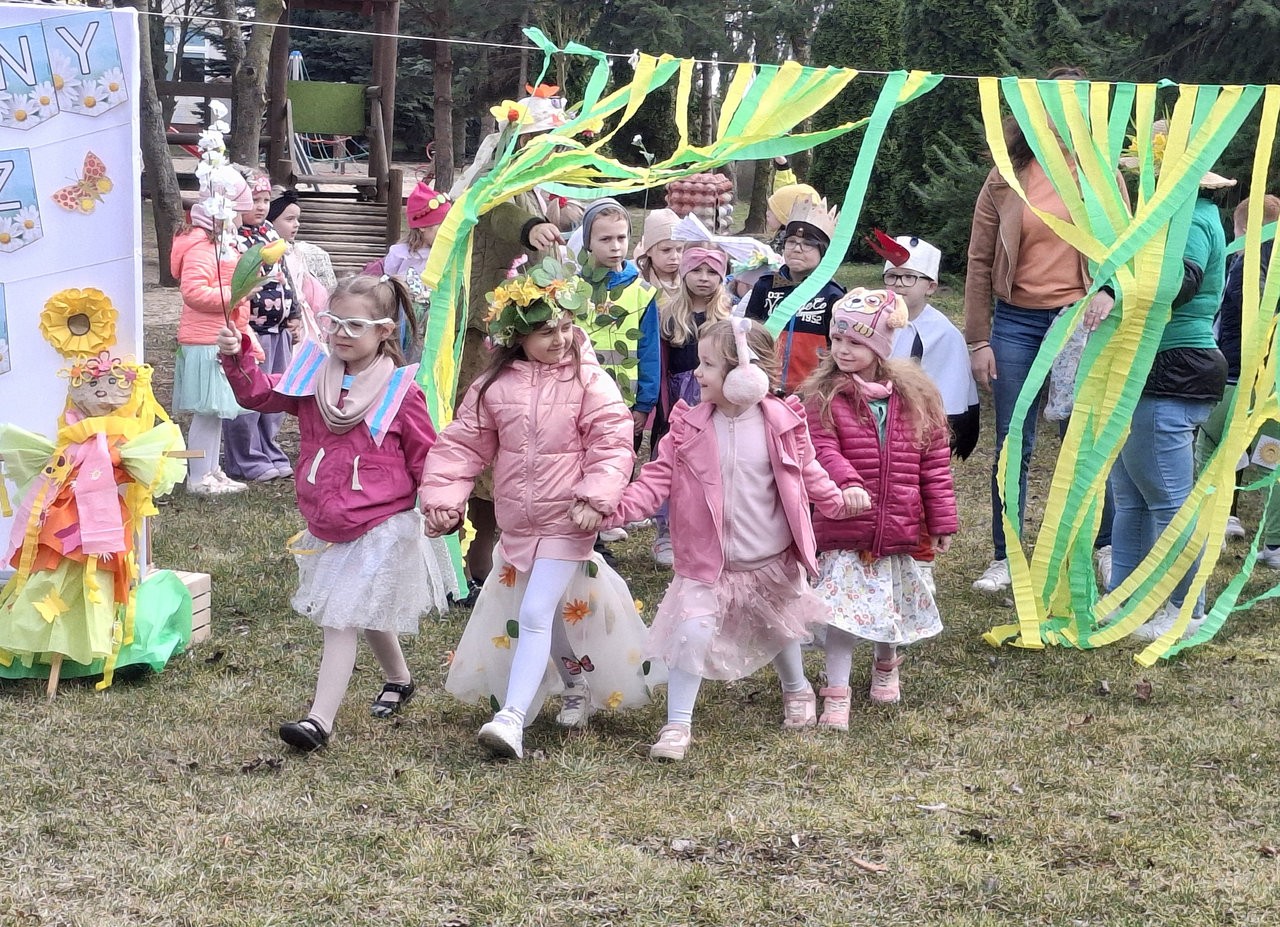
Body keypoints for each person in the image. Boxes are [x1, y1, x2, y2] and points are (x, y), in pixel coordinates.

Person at [598, 318, 863, 762]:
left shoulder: (783, 423)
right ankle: (677, 724)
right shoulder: (688, 427)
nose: (697, 373)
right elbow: (654, 481)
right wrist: (614, 511)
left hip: (768, 558)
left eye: (707, 365)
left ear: (745, 374)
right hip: (707, 563)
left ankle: (796, 687)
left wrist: (837, 502)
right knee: (692, 633)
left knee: (779, 628)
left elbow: (810, 473)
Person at [420, 258, 654, 760]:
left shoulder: (589, 381)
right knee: (547, 616)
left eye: (566, 326)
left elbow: (612, 442)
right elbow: (462, 445)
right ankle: (576, 684)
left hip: (570, 519)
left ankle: (512, 719)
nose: (559, 339)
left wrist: (595, 497)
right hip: (520, 524)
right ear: (516, 336)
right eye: (545, 331)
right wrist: (444, 500)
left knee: (533, 611)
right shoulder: (494, 386)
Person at [216, 275, 458, 751]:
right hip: (330, 517)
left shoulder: (400, 392)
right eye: (333, 322)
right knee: (361, 607)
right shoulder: (313, 377)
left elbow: (426, 457)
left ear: (384, 330)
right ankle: (399, 678)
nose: (341, 333)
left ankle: (318, 722)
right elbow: (258, 395)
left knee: (341, 614)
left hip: (381, 522)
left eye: (355, 325)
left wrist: (440, 504)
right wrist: (237, 355)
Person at [964, 81, 1122, 595]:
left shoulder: (1102, 176)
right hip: (1016, 323)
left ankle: (1106, 548)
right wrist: (978, 340)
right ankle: (1006, 556)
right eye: (1052, 104)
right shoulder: (1004, 176)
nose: (1061, 114)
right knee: (1014, 444)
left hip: (1081, 321)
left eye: (1073, 104)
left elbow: (1127, 246)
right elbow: (979, 261)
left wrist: (1110, 290)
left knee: (1086, 440)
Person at [449, 86, 585, 596]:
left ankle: (487, 555)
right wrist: (533, 228)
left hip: (517, 337)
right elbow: (502, 214)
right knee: (481, 439)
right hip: (483, 340)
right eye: (541, 140)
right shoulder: (496, 183)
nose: (551, 150)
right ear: (517, 142)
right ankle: (464, 557)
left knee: (511, 443)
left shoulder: (530, 185)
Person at [800, 288, 957, 721]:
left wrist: (940, 519)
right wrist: (848, 483)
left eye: (855, 341)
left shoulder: (915, 398)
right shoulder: (823, 395)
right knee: (842, 616)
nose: (843, 349)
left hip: (897, 526)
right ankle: (836, 693)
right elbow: (820, 448)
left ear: (880, 347)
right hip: (846, 526)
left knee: (890, 606)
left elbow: (934, 463)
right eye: (837, 339)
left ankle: (886, 664)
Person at [1105, 131, 1231, 641]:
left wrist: (1116, 289)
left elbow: (1179, 284)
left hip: (1173, 364)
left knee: (1166, 499)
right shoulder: (1173, 219)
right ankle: (1125, 598)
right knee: (1132, 494)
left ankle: (1183, 609)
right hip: (1151, 362)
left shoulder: (1194, 219)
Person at [1197, 194, 1280, 563]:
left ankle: (1211, 526)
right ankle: (1274, 544)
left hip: (1234, 375)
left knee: (1211, 445)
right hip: (1272, 383)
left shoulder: (1245, 264)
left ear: (1243, 229)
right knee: (1272, 459)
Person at [170, 169, 262, 496]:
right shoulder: (202, 249)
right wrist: (237, 295)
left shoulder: (219, 247)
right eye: (236, 213)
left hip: (220, 337)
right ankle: (198, 476)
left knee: (216, 413)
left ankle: (211, 469)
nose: (239, 220)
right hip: (205, 340)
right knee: (207, 413)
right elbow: (193, 292)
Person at [649, 245, 732, 566]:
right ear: (684, 273)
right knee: (674, 463)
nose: (704, 278)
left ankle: (706, 531)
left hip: (713, 401)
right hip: (678, 402)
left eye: (712, 272)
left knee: (710, 465)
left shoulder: (728, 318)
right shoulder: (668, 316)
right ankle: (666, 531)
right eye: (697, 270)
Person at [872, 232, 980, 459]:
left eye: (909, 277)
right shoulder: (872, 319)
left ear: (930, 287)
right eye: (892, 276)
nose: (898, 284)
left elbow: (951, 396)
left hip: (918, 434)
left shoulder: (944, 334)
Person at [222, 173, 298, 483]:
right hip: (252, 330)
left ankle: (269, 448)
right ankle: (245, 457)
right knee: (249, 396)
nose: (261, 206)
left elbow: (284, 275)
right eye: (254, 200)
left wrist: (293, 311)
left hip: (278, 329)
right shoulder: (232, 238)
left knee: (277, 393)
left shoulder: (269, 232)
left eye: (265, 200)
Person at [743, 197, 846, 394]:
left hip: (812, 392)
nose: (797, 249)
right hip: (766, 388)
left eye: (808, 244)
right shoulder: (766, 286)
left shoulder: (832, 295)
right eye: (791, 242)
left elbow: (837, 348)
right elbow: (750, 335)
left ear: (823, 251)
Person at [268, 189, 331, 341]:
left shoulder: (294, 252)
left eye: (297, 219)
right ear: (271, 220)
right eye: (289, 219)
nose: (296, 224)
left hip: (300, 314)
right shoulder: (270, 254)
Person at [384, 182, 451, 279]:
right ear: (423, 226)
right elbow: (389, 282)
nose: (446, 232)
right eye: (442, 226)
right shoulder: (399, 254)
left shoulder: (447, 253)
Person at [634, 207, 683, 302]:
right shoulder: (637, 280)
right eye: (666, 250)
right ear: (648, 251)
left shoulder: (689, 278)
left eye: (679, 249)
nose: (674, 257)